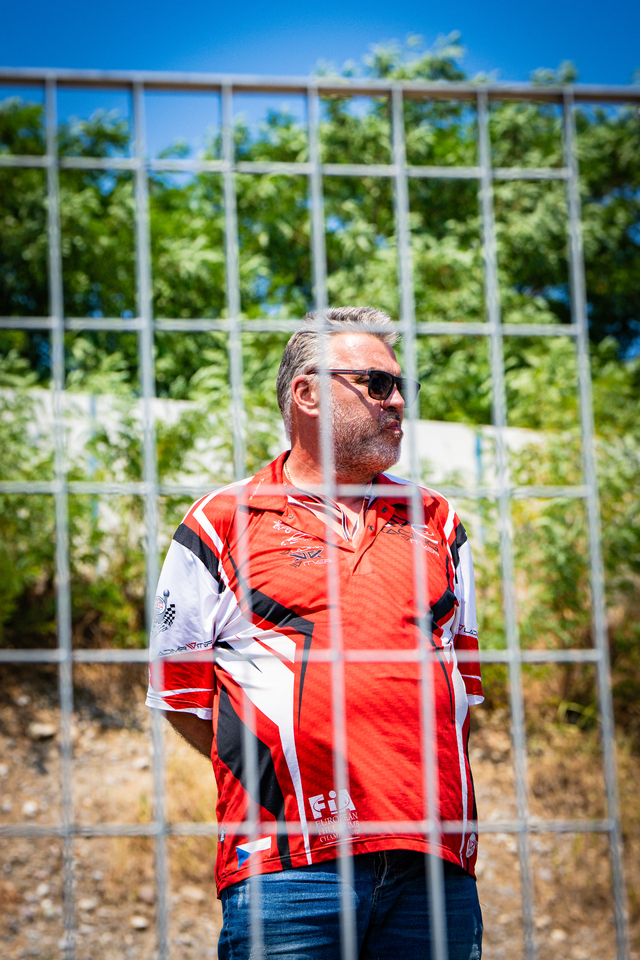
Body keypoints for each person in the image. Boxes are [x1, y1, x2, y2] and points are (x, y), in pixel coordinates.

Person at [146, 306, 484, 959]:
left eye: (402, 386)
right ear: (306, 393)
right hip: (288, 872)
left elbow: (462, 695)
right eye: (377, 384)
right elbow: (182, 697)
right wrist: (289, 774)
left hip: (434, 866)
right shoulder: (223, 519)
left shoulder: (437, 518)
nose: (398, 402)